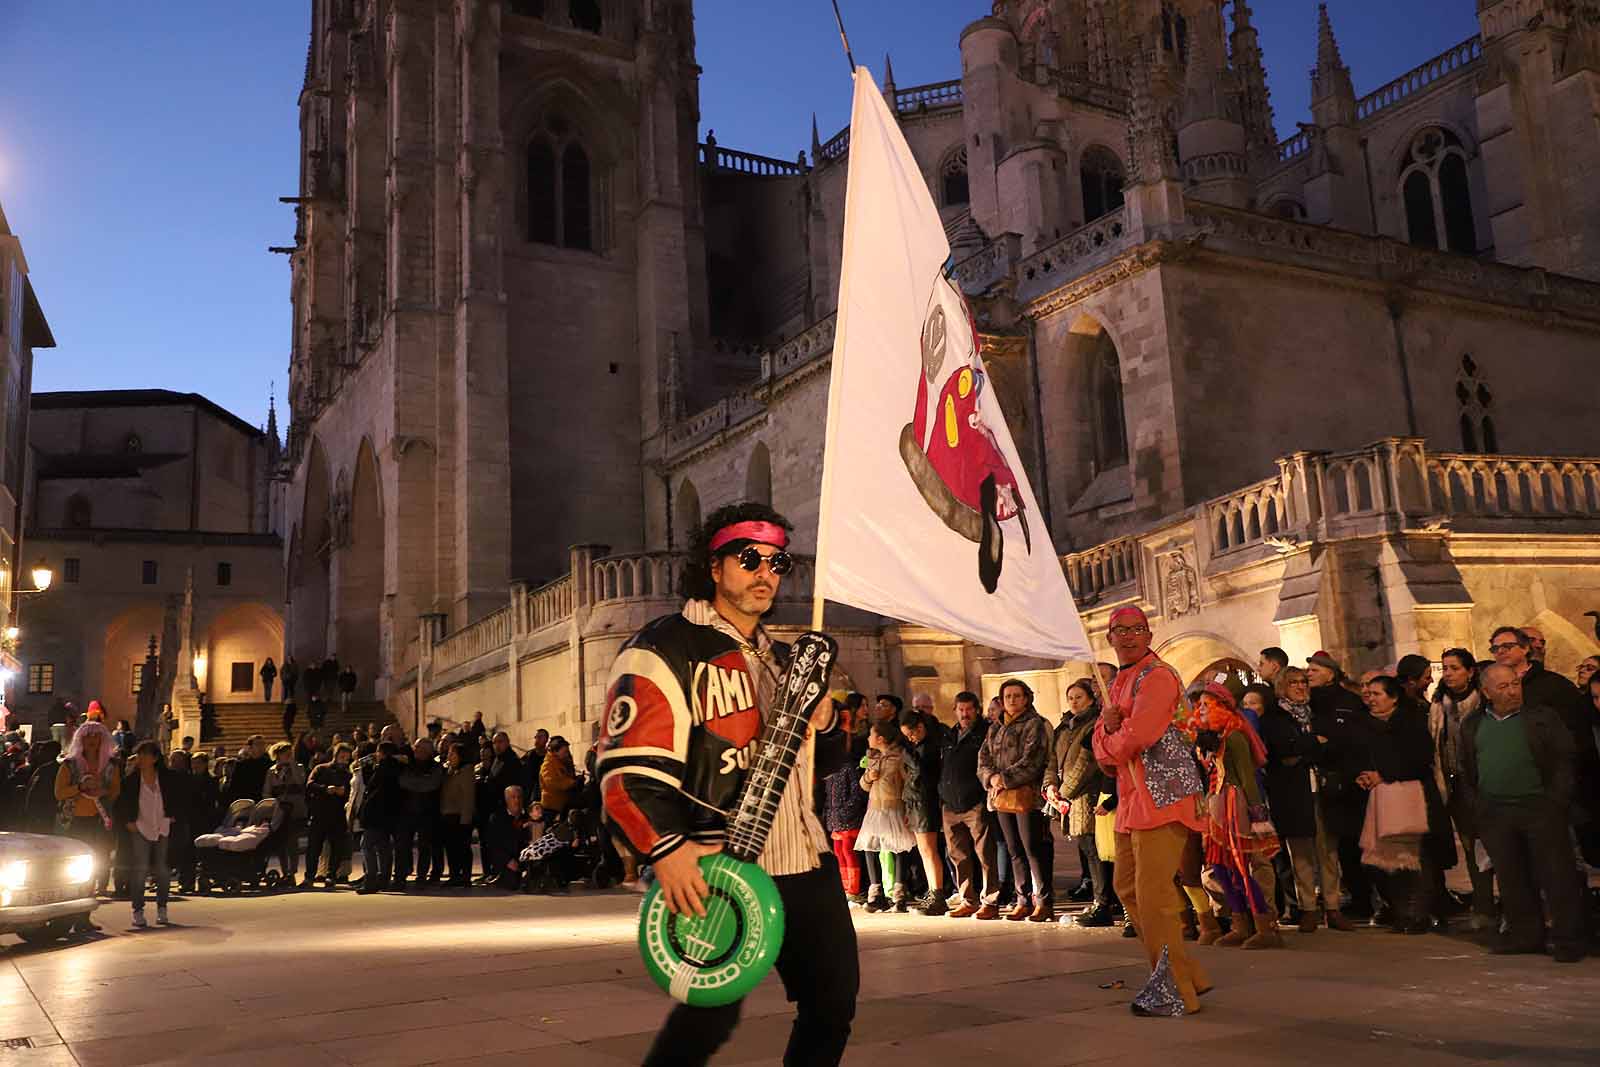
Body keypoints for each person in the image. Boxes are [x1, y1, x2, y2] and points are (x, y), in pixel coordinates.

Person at [598, 502, 856, 1066]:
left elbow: (830, 761)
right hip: (723, 865)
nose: (766, 573)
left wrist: (829, 723)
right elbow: (625, 771)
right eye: (749, 559)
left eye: (776, 562)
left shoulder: (790, 659)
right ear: (713, 567)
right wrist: (667, 848)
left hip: (805, 860)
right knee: (708, 1013)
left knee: (833, 1005)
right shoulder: (666, 646)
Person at [1092, 606, 1212, 1017]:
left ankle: (1175, 989)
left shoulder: (1157, 676)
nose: (1126, 637)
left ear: (1148, 633)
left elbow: (1135, 738)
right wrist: (1109, 733)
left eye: (1135, 630)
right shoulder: (1119, 681)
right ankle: (1185, 972)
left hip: (1163, 799)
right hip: (1132, 801)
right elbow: (1102, 749)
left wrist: (1110, 735)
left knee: (1154, 894)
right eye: (1118, 630)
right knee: (1128, 889)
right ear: (1109, 638)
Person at [1462, 665, 1584, 962]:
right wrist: (1478, 805)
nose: (1513, 691)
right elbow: (1467, 767)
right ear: (1486, 692)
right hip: (1496, 811)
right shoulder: (1474, 723)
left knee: (1557, 876)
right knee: (1512, 877)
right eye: (1503, 687)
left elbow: (1564, 759)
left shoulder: (1542, 718)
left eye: (1515, 684)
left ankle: (1568, 940)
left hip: (1540, 808)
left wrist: (1555, 800)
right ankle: (1526, 936)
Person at [1357, 676, 1456, 934]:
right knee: (1388, 860)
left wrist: (1384, 774)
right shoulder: (1364, 724)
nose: (1371, 698)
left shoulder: (1410, 722)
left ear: (1394, 697)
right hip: (1381, 800)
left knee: (1418, 857)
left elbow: (1419, 759)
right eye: (1369, 694)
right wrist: (1363, 774)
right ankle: (1401, 912)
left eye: (1377, 693)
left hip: (1414, 798)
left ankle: (1420, 913)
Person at [1261, 668, 1351, 932]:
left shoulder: (1318, 713)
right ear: (1281, 687)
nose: (1300, 687)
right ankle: (1308, 908)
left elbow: (1333, 746)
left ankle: (1333, 907)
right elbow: (1283, 752)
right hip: (1293, 793)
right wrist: (1313, 743)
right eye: (1293, 683)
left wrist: (1305, 748)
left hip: (1323, 791)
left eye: (1303, 682)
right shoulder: (1275, 718)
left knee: (1328, 851)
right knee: (1300, 852)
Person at [1193, 684, 1282, 949]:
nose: (1201, 709)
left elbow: (1247, 777)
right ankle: (1238, 923)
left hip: (1235, 803)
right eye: (1200, 705)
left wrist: (1257, 814)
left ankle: (1265, 927)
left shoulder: (1234, 736)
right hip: (1215, 803)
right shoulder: (1212, 736)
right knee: (1220, 867)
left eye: (1206, 704)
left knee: (1244, 867)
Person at [1306, 650, 1378, 921]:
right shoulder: (1308, 702)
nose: (1309, 673)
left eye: (1315, 669)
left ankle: (1363, 898)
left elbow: (1354, 739)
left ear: (1331, 673)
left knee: (1352, 842)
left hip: (1347, 781)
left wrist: (1329, 742)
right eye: (1308, 669)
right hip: (1321, 780)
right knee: (1328, 845)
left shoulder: (1348, 702)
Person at [1428, 649, 1494, 931]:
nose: (1449, 673)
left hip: (1482, 783)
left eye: (1455, 667)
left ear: (1470, 671)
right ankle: (1483, 906)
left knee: (1494, 846)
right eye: (1445, 668)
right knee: (1470, 849)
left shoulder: (1482, 703)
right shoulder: (1438, 705)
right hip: (1454, 785)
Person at [979, 678, 1054, 923]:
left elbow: (1033, 759)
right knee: (1013, 849)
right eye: (1007, 696)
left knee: (1033, 847)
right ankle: (1022, 899)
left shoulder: (1035, 724)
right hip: (1000, 795)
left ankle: (1043, 901)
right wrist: (991, 778)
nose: (1012, 700)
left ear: (1026, 698)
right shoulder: (995, 727)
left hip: (1026, 795)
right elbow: (984, 758)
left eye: (1017, 695)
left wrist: (1005, 777)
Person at [1046, 678, 1118, 927]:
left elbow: (1087, 763)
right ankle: (1102, 900)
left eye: (1079, 697)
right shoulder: (1064, 726)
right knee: (1088, 849)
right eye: (1070, 698)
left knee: (1097, 850)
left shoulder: (1093, 724)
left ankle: (1104, 903)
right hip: (1069, 798)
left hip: (1089, 794)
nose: (1074, 702)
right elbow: (1052, 759)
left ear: (1090, 698)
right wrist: (1051, 787)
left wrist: (1064, 791)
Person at [939, 691, 1000, 919]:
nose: (964, 714)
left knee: (985, 854)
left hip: (975, 802)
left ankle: (990, 901)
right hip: (950, 804)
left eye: (969, 709)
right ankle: (967, 899)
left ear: (977, 709)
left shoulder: (985, 733)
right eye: (960, 709)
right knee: (958, 855)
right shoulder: (949, 734)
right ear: (955, 710)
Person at [55, 721, 121, 913]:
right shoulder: (69, 764)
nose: (92, 740)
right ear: (80, 739)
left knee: (94, 866)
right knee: (71, 868)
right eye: (88, 736)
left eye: (96, 736)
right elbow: (59, 793)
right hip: (74, 822)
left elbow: (115, 791)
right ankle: (69, 911)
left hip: (100, 822)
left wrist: (102, 790)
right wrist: (80, 788)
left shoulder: (111, 765)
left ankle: (84, 915)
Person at [113, 740, 180, 928]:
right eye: (139, 755)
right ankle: (138, 910)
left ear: (155, 758)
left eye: (145, 755)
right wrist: (128, 822)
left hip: (162, 826)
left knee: (162, 869)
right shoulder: (131, 781)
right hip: (140, 827)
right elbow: (122, 804)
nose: (141, 759)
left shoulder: (167, 778)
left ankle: (162, 908)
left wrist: (172, 816)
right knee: (140, 868)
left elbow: (178, 798)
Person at [858, 719, 914, 913]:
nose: (868, 738)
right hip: (875, 809)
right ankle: (876, 893)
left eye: (871, 735)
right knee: (870, 848)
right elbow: (864, 786)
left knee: (898, 849)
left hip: (894, 808)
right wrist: (868, 777)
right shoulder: (873, 758)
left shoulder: (898, 758)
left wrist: (907, 808)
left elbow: (907, 784)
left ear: (880, 739)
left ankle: (899, 894)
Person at [897, 707, 948, 915]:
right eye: (906, 737)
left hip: (926, 803)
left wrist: (904, 751)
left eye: (910, 734)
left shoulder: (930, 746)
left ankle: (938, 895)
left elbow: (919, 770)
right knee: (923, 851)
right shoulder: (917, 746)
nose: (909, 739)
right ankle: (932, 890)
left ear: (920, 727)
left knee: (929, 850)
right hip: (915, 802)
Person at [822, 704, 869, 903]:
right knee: (839, 851)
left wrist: (846, 811)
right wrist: (829, 813)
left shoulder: (849, 767)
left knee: (849, 851)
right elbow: (827, 794)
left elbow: (857, 792)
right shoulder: (831, 771)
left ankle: (854, 888)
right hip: (835, 817)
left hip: (848, 818)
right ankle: (844, 885)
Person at [395, 738, 444, 888]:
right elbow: (402, 781)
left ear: (429, 752)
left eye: (422, 749)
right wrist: (420, 781)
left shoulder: (435, 768)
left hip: (427, 813)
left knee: (425, 847)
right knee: (402, 845)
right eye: (416, 747)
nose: (417, 751)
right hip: (406, 812)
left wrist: (415, 782)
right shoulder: (406, 765)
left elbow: (430, 784)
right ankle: (400, 877)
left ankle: (421, 876)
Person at [355, 741, 402, 894]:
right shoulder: (394, 768)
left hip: (376, 814)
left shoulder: (384, 768)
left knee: (366, 845)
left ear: (382, 753)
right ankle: (383, 878)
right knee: (383, 847)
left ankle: (371, 879)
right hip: (387, 815)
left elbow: (373, 788)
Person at [304, 744, 353, 889]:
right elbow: (310, 784)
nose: (344, 760)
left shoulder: (348, 775)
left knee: (336, 847)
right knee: (314, 847)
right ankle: (309, 877)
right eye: (342, 756)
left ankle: (331, 876)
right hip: (319, 813)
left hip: (338, 815)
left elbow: (351, 792)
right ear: (336, 755)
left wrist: (343, 793)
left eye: (347, 758)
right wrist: (326, 789)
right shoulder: (321, 768)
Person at [263, 741, 309, 884]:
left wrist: (292, 765)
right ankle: (285, 872)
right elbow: (266, 791)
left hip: (295, 809)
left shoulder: (298, 767)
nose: (288, 755)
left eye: (290, 752)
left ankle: (292, 872)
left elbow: (301, 781)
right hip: (279, 809)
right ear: (277, 755)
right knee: (281, 842)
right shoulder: (272, 771)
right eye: (285, 753)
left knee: (292, 841)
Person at [440, 741, 477, 888]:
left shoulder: (466, 771)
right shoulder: (449, 770)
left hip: (460, 816)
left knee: (463, 848)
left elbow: (468, 796)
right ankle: (454, 875)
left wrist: (466, 819)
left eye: (452, 753)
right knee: (451, 848)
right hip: (448, 815)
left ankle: (465, 876)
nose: (449, 756)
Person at [484, 784, 533, 889]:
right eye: (513, 797)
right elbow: (493, 843)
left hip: (526, 860)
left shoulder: (529, 817)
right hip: (506, 861)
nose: (517, 800)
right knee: (511, 883)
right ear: (506, 799)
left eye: (519, 797)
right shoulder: (497, 818)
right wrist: (507, 860)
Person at [538, 735, 578, 816]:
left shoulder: (562, 762)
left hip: (562, 805)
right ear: (555, 751)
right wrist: (572, 783)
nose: (567, 754)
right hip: (552, 807)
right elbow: (551, 783)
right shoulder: (548, 765)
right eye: (565, 752)